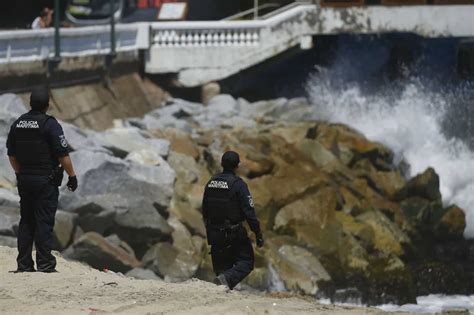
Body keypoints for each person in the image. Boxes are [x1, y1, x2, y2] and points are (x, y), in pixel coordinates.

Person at [6, 86, 78, 273]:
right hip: (45, 181)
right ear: (47, 105)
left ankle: (24, 264)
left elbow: (11, 155)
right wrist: (72, 176)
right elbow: (63, 155)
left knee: (27, 221)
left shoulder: (18, 124)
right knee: (44, 222)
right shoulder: (50, 124)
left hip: (25, 179)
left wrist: (21, 173)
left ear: (30, 103)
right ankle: (45, 264)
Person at [202, 151, 264, 290]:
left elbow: (205, 209)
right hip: (233, 233)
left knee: (222, 272)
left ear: (222, 164)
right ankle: (225, 281)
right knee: (246, 262)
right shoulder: (238, 185)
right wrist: (257, 233)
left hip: (214, 233)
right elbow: (249, 212)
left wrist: (210, 229)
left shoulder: (211, 183)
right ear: (237, 166)